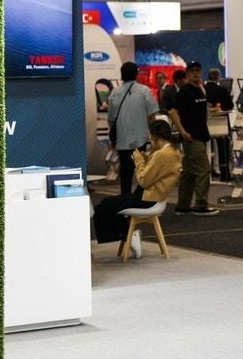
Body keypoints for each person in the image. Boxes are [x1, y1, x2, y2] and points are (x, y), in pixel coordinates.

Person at [93, 120, 182, 257]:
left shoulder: (162, 154)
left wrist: (139, 161)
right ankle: (127, 234)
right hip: (154, 197)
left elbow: (144, 181)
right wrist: (147, 158)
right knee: (107, 204)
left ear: (156, 136)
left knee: (103, 206)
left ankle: (128, 234)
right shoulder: (174, 151)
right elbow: (156, 172)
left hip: (147, 198)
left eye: (150, 135)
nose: (149, 139)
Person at [169, 61, 217, 215]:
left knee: (189, 173)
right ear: (188, 74)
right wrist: (183, 132)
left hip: (200, 135)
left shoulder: (200, 90)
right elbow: (173, 112)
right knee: (204, 170)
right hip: (191, 137)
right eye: (192, 71)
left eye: (198, 70)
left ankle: (182, 206)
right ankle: (201, 205)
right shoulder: (185, 92)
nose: (196, 73)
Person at [107, 61, 159, 194]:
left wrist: (114, 137)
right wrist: (154, 136)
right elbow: (152, 117)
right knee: (143, 172)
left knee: (125, 174)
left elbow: (111, 120)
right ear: (136, 74)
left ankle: (125, 200)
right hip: (141, 140)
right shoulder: (145, 91)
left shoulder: (114, 93)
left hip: (122, 141)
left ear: (122, 75)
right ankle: (140, 199)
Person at [205, 68, 234, 180]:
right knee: (223, 147)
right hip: (220, 124)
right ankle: (224, 173)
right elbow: (230, 106)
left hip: (205, 124)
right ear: (218, 77)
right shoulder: (222, 90)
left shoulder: (202, 89)